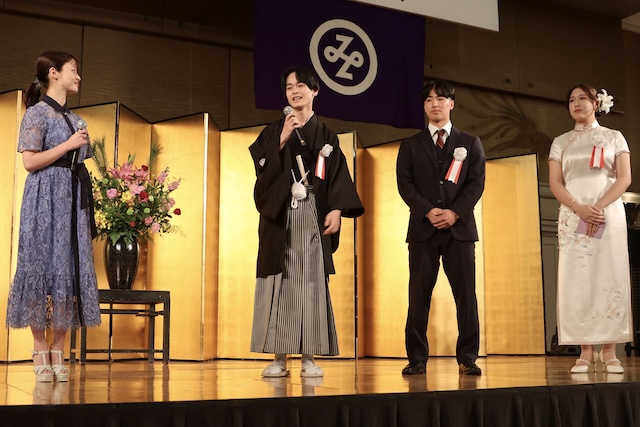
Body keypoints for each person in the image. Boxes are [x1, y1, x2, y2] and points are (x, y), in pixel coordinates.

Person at [249, 66, 364, 378]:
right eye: (289, 87)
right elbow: (261, 167)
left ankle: (309, 358)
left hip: (312, 211)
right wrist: (282, 140)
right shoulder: (274, 130)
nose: (294, 91)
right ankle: (278, 358)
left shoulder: (326, 135)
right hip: (281, 213)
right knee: (281, 281)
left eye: (300, 85)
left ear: (314, 91)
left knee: (310, 281)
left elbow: (338, 176)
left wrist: (336, 210)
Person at [6, 51, 101, 382]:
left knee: (66, 270)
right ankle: (38, 348)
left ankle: (59, 349)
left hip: (71, 201)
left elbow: (81, 161)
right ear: (53, 73)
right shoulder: (37, 113)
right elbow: (30, 162)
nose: (78, 76)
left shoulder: (77, 119)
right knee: (38, 267)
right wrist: (68, 145)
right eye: (73, 70)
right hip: (43, 198)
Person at [396, 80, 486, 376]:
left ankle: (468, 357)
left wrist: (455, 213)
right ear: (424, 106)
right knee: (418, 296)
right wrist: (428, 210)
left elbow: (475, 184)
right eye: (429, 99)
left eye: (441, 98)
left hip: (459, 231)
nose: (435, 104)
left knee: (466, 296)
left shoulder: (470, 142)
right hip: (423, 229)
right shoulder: (410, 145)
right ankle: (417, 358)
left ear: (452, 103)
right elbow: (405, 184)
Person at [548, 84, 632, 374]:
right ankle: (585, 350)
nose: (576, 103)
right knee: (578, 278)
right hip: (574, 215)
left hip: (607, 213)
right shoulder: (561, 141)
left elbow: (624, 178)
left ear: (596, 103)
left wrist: (598, 207)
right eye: (572, 99)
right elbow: (555, 183)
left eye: (583, 98)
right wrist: (579, 207)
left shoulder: (614, 136)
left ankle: (609, 350)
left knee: (610, 274)